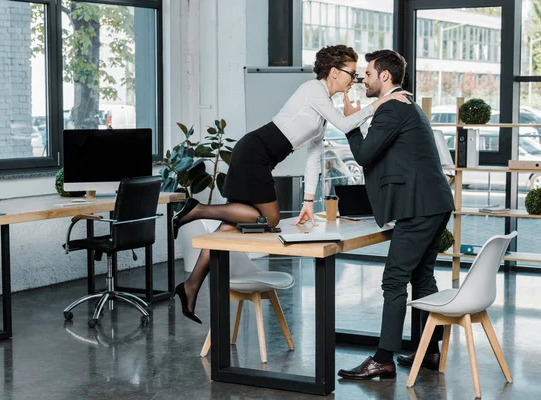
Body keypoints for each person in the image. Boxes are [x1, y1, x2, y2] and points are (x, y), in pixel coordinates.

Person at [171, 44, 411, 324]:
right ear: (334, 72)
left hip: (261, 157)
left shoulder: (325, 105)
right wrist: (379, 103)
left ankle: (190, 287)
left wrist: (308, 202)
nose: (355, 80)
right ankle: (197, 210)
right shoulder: (313, 90)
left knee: (229, 227)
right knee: (269, 219)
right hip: (254, 153)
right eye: (351, 73)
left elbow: (314, 155)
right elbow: (346, 126)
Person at [336, 49, 455, 380]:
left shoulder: (391, 108)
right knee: (422, 276)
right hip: (436, 202)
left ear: (384, 76)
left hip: (419, 207)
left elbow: (364, 154)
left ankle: (382, 359)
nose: (364, 80)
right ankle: (429, 351)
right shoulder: (407, 104)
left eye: (369, 75)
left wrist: (350, 123)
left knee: (394, 279)